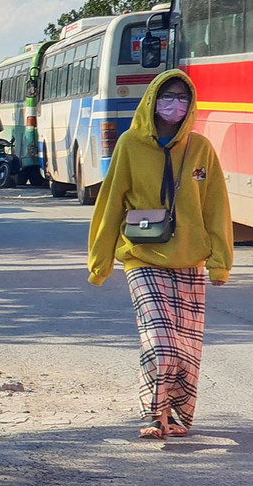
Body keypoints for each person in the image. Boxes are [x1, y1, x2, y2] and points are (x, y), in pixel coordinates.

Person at [88, 70, 232, 440]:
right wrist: (101, 262)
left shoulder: (200, 148)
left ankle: (176, 415)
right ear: (153, 99)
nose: (176, 105)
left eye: (184, 98)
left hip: (190, 261)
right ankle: (153, 415)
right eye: (168, 96)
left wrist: (220, 262)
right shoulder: (129, 144)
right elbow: (110, 203)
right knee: (162, 343)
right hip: (143, 257)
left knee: (185, 349)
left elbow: (216, 207)